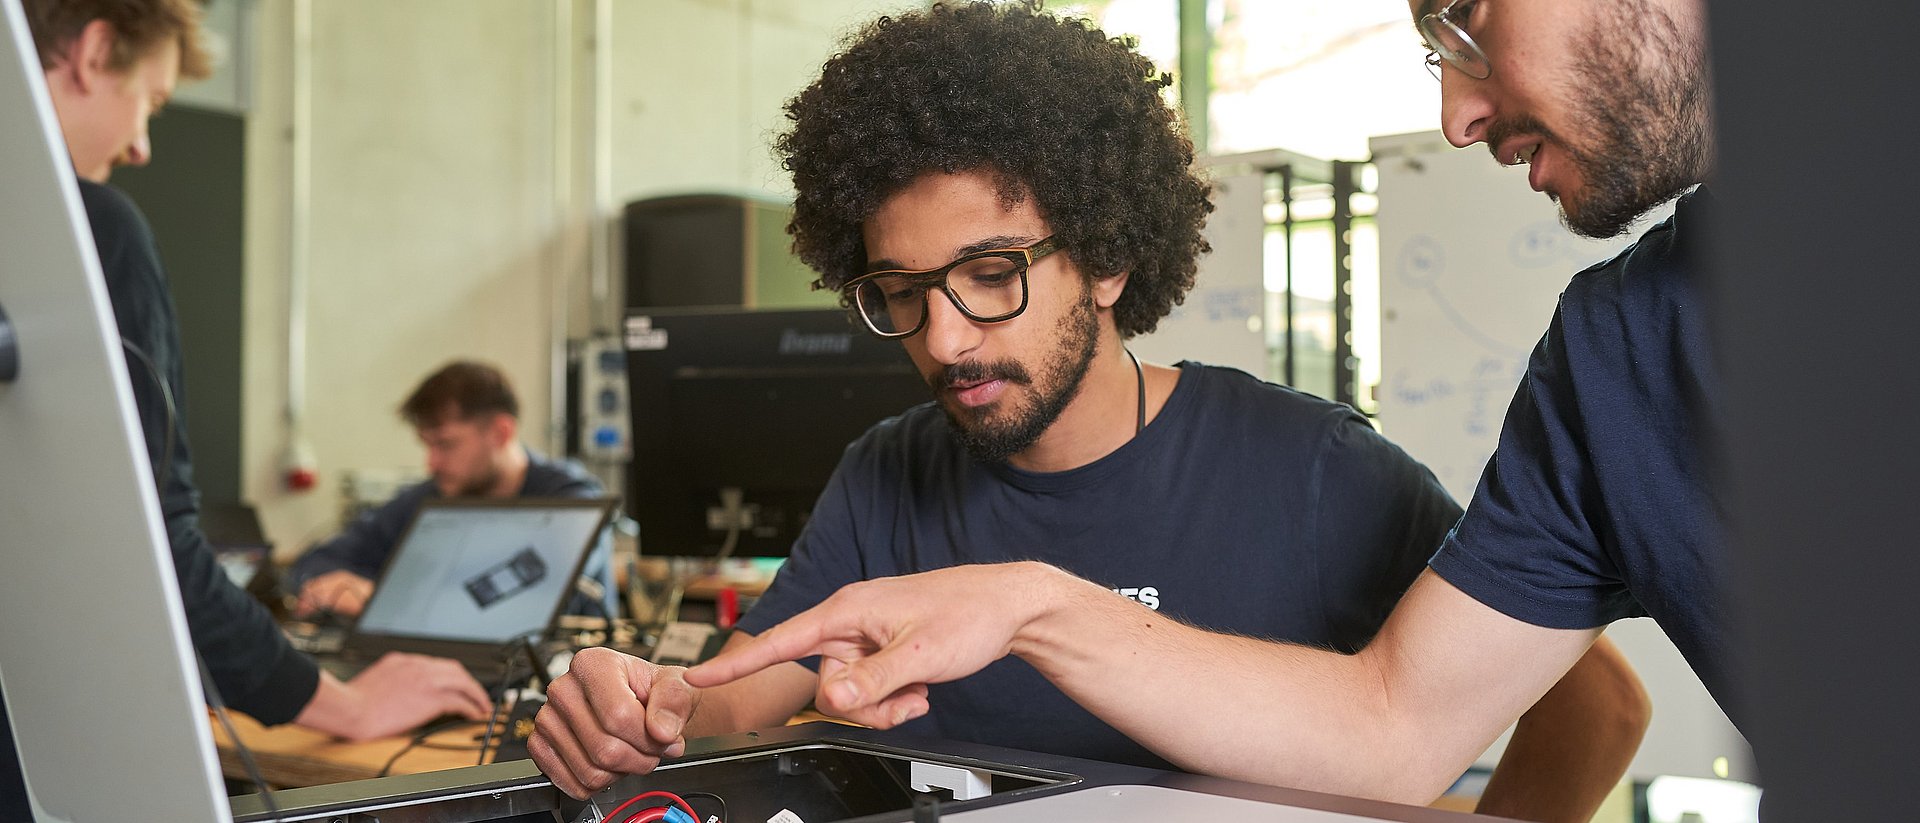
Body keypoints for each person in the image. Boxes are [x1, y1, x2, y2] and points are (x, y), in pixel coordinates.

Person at [529, 4, 1649, 820]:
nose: (946, 337)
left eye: (990, 273)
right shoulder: (888, 474)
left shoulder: (1308, 467)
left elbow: (1594, 704)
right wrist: (632, 700)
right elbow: (736, 702)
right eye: (903, 294)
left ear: (1107, 258)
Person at [3, 4, 494, 816]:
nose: (141, 147)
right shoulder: (94, 231)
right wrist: (350, 705)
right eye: (149, 102)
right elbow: (152, 543)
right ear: (93, 54)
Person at [286, 360, 612, 619]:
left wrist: (390, 600)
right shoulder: (432, 498)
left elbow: (538, 584)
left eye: (446, 444)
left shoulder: (574, 500)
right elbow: (319, 561)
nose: (432, 462)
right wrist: (340, 586)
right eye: (427, 446)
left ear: (500, 432)